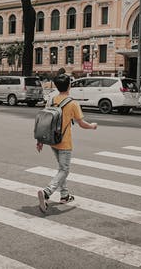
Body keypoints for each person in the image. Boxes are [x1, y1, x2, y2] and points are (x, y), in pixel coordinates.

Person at [36, 73, 97, 213]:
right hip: (64, 142)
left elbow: (45, 122)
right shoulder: (73, 103)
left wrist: (40, 141)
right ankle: (47, 192)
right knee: (64, 170)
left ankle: (64, 195)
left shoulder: (52, 100)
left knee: (61, 169)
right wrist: (92, 126)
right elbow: (82, 123)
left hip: (52, 141)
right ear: (69, 85)